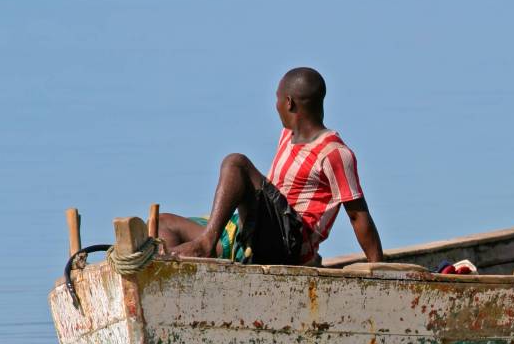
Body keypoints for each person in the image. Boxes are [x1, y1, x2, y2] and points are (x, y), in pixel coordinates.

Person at [158, 67, 384, 265]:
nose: (275, 106)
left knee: (236, 163)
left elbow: (358, 215)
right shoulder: (287, 135)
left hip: (290, 244)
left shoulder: (334, 153)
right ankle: (179, 278)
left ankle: (206, 244)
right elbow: (270, 198)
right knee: (163, 223)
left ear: (289, 103)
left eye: (277, 99)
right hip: (259, 234)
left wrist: (378, 267)